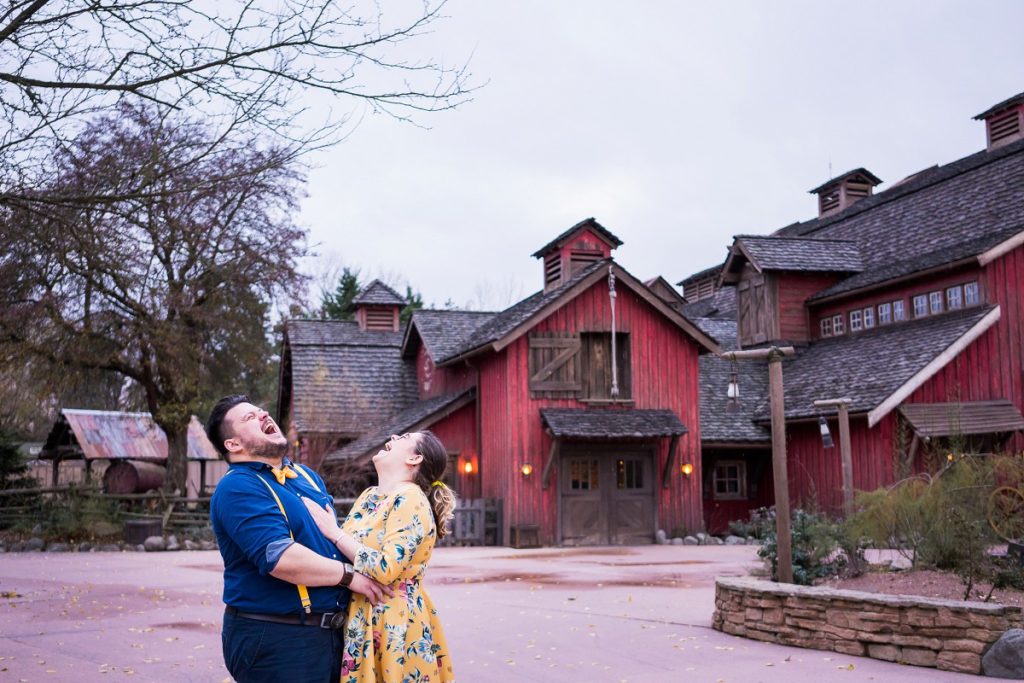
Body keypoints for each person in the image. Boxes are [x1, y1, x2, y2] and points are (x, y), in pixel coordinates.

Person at [205, 395, 392, 683]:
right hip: (278, 636)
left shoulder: (305, 475)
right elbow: (281, 558)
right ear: (233, 444)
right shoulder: (237, 486)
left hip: (330, 635)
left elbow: (333, 539)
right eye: (249, 418)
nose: (263, 414)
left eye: (260, 411)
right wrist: (349, 576)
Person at [302, 430, 456, 683]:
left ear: (415, 459)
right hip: (361, 614)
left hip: (393, 618)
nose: (394, 436)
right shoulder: (369, 496)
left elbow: (386, 567)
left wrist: (334, 533)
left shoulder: (411, 499)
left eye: (404, 438)